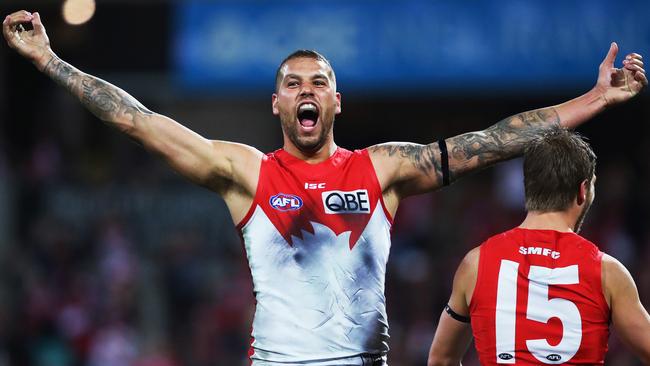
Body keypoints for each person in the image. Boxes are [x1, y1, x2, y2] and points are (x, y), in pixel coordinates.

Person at [3, 9, 647, 366]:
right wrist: (52, 63)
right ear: (276, 104)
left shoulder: (384, 169)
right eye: (292, 83)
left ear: (337, 100)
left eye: (318, 82)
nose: (306, 90)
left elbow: (496, 139)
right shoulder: (246, 172)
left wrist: (593, 99)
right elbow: (140, 123)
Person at [427, 129, 650, 365]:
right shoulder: (607, 272)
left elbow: (441, 358)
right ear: (583, 190)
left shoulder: (475, 263)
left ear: (529, 187)